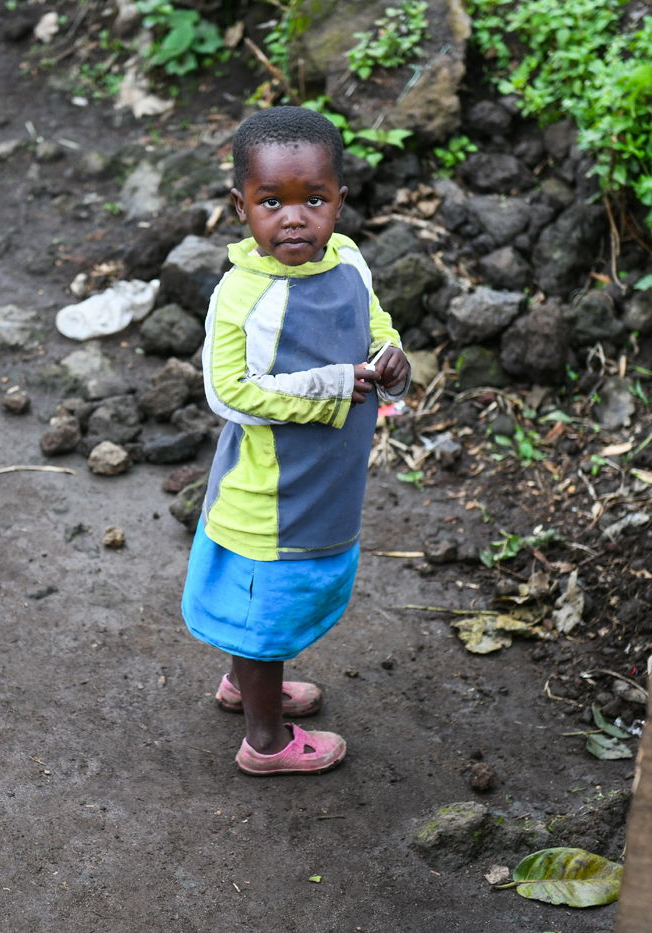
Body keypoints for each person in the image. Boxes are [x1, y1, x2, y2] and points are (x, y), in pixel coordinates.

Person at [181, 106, 411, 776]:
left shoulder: (348, 261)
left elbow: (372, 321)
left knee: (266, 607)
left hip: (324, 484)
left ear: (340, 198)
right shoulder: (242, 293)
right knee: (267, 601)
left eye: (314, 199)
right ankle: (266, 741)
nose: (293, 218)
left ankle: (245, 683)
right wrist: (332, 386)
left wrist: (388, 352)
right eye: (270, 202)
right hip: (269, 494)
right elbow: (227, 392)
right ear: (240, 206)